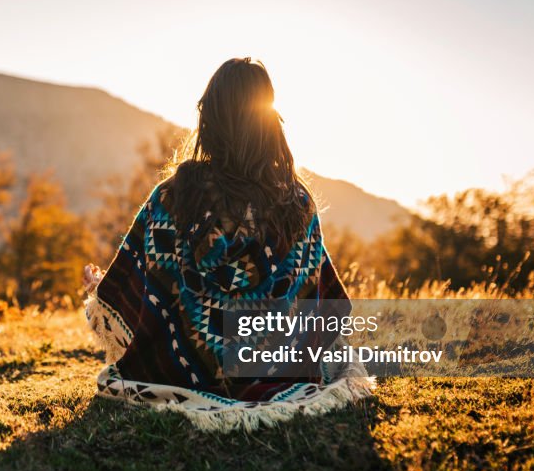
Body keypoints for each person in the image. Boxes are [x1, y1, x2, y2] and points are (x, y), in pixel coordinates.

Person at [82, 57, 372, 432]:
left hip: (179, 378)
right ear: (268, 123)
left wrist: (103, 286)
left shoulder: (171, 199)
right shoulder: (296, 204)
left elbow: (144, 294)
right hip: (278, 377)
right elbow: (318, 307)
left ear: (210, 120)